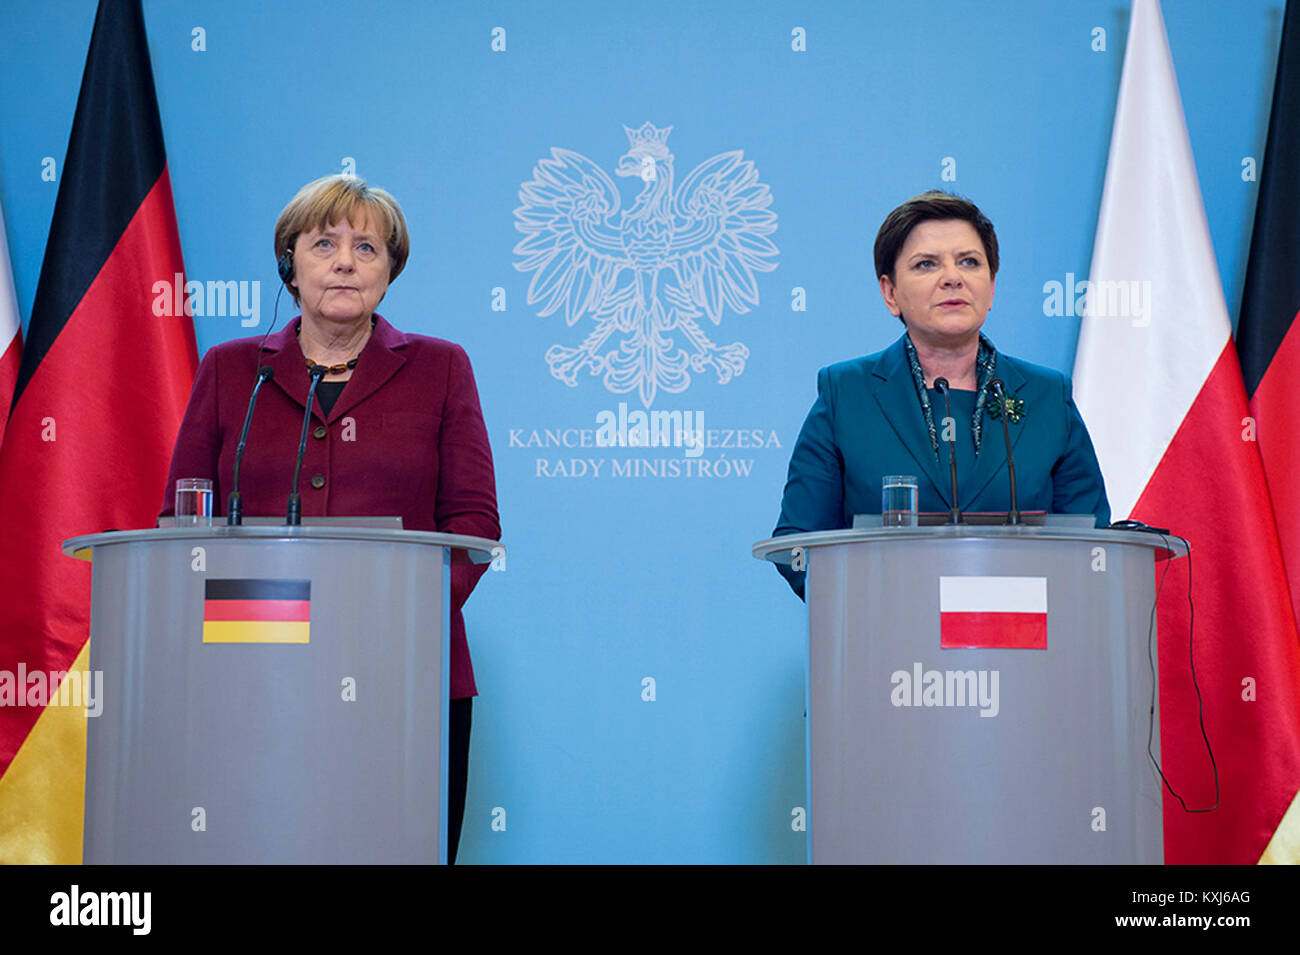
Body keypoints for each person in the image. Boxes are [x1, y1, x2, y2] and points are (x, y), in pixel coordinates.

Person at [160, 174, 500, 862]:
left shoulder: (440, 368)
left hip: (404, 672)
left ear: (389, 272)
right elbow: (181, 521)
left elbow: (473, 527)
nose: (345, 261)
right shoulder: (233, 371)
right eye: (325, 243)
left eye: (367, 248)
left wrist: (388, 619)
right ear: (291, 264)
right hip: (250, 670)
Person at [773, 191, 1109, 598]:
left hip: (1026, 643)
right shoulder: (846, 393)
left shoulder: (1046, 395)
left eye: (969, 262)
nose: (953, 277)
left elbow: (1094, 543)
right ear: (890, 293)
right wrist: (861, 606)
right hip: (886, 643)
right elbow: (797, 544)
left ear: (991, 287)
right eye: (926, 264)